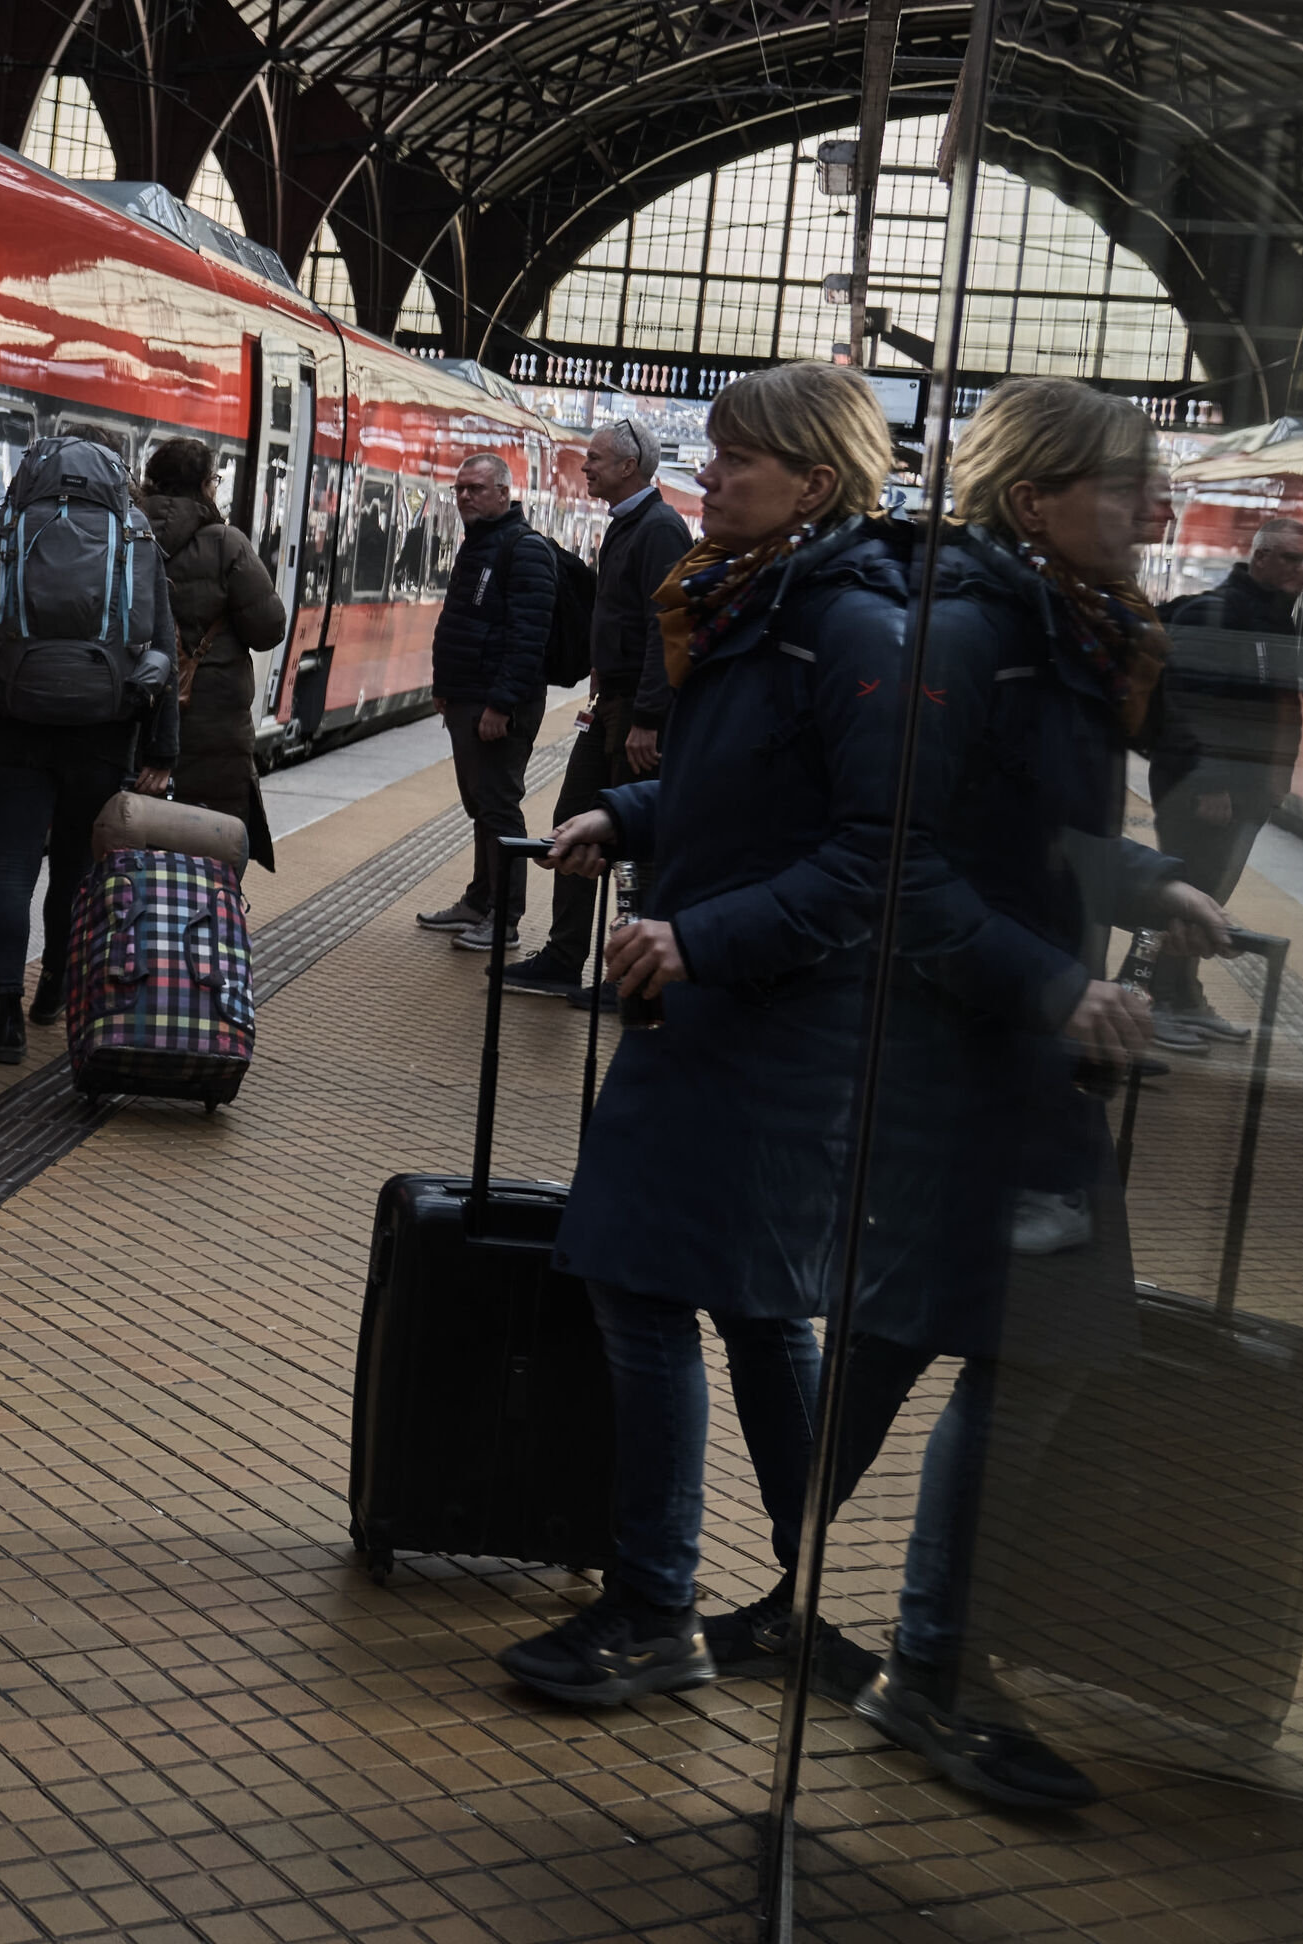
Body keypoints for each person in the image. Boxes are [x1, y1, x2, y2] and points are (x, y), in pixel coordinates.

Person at [820, 376, 1232, 1810]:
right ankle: (906, 1656)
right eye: (1126, 489)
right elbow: (905, 868)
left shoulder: (1064, 636)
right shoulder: (981, 640)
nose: (1155, 512)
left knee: (986, 1348)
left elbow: (1041, 844)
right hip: (965, 1062)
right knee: (964, 1349)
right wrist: (1066, 985)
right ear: (1035, 501)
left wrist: (1147, 882)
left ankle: (906, 1646)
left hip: (1014, 1064)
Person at [510, 363, 909, 1706]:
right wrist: (628, 817)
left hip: (762, 1022)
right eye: (715, 450)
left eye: (741, 457)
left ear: (816, 481)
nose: (713, 474)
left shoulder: (848, 625)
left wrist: (701, 937)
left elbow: (877, 855)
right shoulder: (765, 605)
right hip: (732, 1009)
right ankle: (806, 1599)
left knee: (640, 1285)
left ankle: (652, 1611)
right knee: (754, 1309)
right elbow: (744, 791)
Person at [0, 433, 177, 1063]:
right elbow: (161, 648)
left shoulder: (8, 529)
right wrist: (161, 753)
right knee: (73, 873)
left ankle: (5, 1013)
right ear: (117, 476)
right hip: (102, 732)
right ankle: (53, 987)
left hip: (13, 727)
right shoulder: (136, 539)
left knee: (12, 869)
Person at [505, 417, 689, 1003]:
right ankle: (563, 958)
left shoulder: (659, 528)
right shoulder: (627, 525)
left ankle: (633, 977)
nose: (585, 467)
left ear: (628, 466)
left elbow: (668, 628)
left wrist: (649, 718)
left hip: (636, 709)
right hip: (613, 703)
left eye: (596, 459)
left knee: (631, 842)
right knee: (572, 823)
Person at [1143, 517, 1303, 1043]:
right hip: (1207, 792)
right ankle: (1155, 1002)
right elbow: (1190, 704)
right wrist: (1210, 783)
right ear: (1258, 557)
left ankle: (1181, 996)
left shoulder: (1269, 618)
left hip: (1245, 789)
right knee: (1187, 896)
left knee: (1205, 895)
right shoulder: (1220, 615)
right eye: (1289, 558)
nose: (1301, 570)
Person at [417, 452, 560, 950]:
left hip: (497, 706)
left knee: (499, 807)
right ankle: (479, 901)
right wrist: (445, 686)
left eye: (476, 488)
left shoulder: (524, 550)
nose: (465, 497)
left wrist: (501, 704)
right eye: (459, 489)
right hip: (467, 698)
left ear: (504, 492)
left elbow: (527, 639)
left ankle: (505, 919)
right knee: (481, 805)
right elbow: (464, 622)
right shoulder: (479, 546)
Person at [142, 437, 291, 868]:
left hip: (139, 722)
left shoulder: (126, 533)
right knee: (215, 850)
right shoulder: (228, 545)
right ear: (207, 485)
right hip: (214, 727)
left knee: (142, 847)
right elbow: (268, 629)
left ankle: (147, 931)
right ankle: (206, 931)